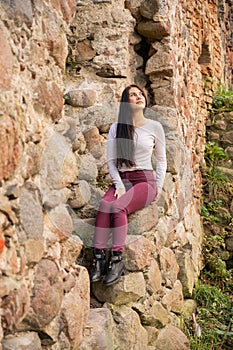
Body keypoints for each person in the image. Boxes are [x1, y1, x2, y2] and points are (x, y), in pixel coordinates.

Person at [91, 84, 167, 286]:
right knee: (105, 205)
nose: (139, 96)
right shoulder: (117, 128)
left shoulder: (154, 127)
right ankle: (99, 259)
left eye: (140, 93)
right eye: (133, 95)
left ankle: (117, 260)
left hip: (145, 181)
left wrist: (158, 186)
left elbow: (161, 161)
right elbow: (111, 161)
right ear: (126, 103)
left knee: (118, 207)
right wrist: (118, 184)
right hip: (123, 180)